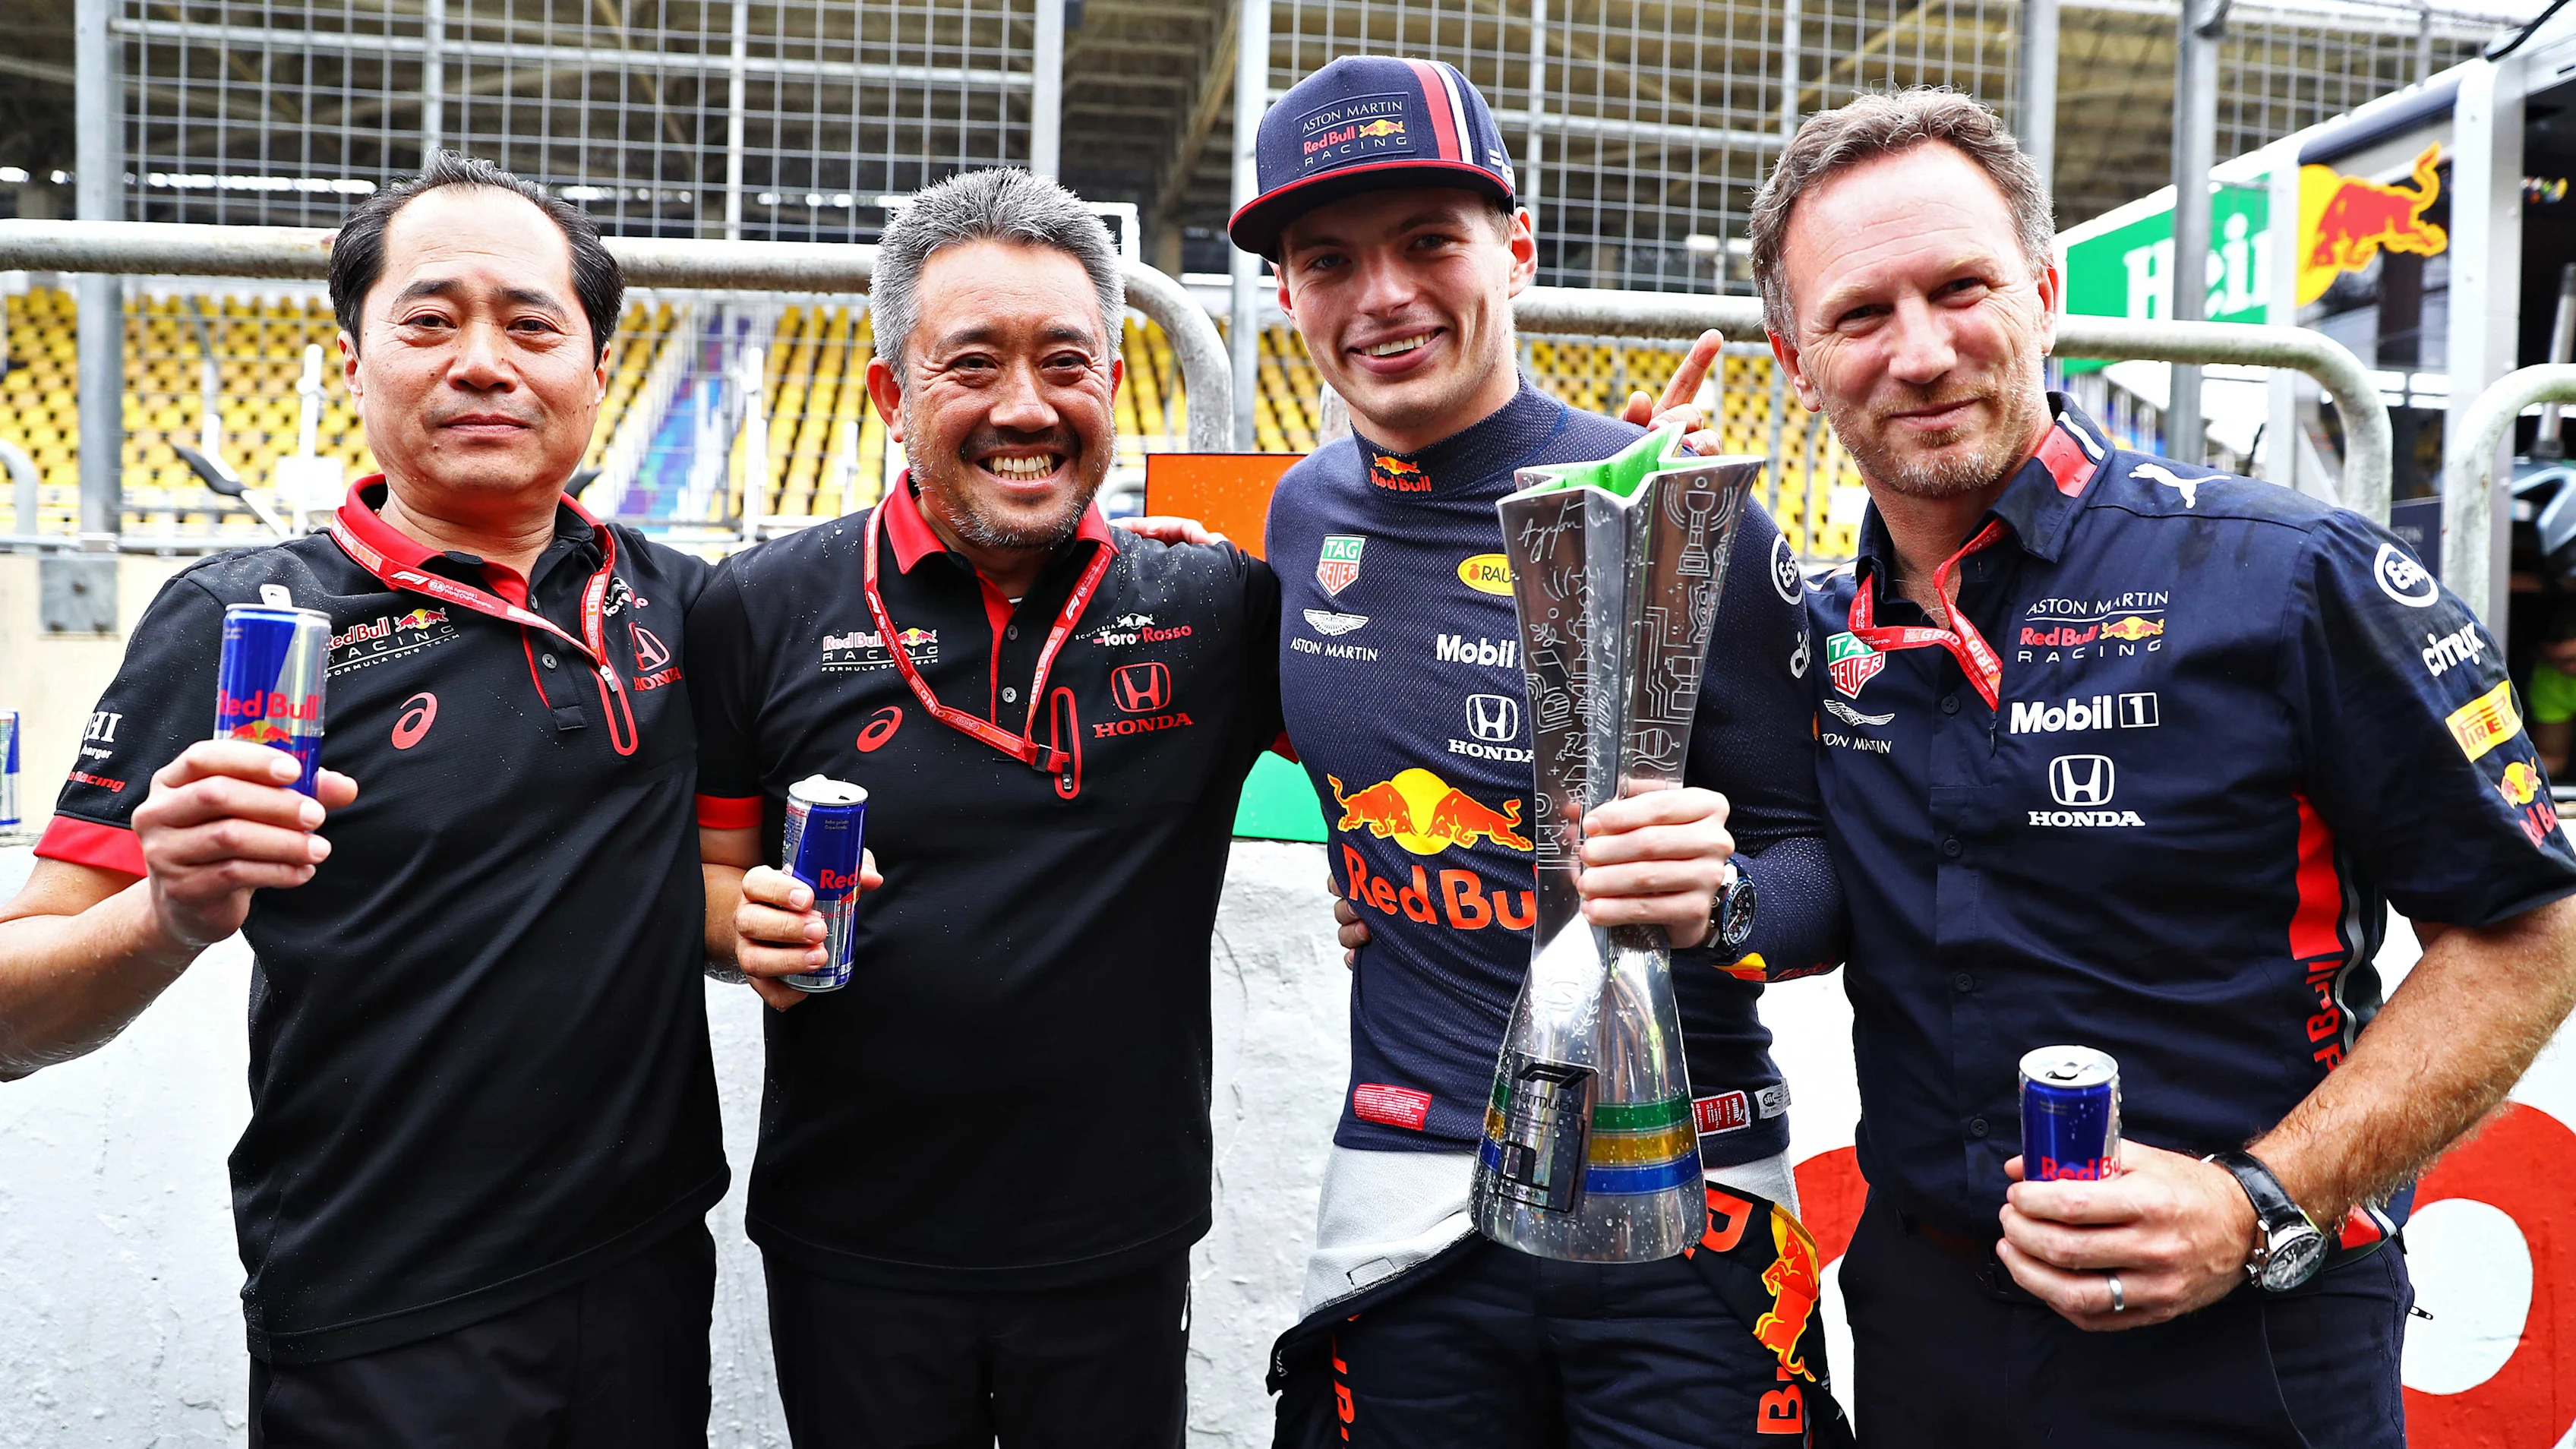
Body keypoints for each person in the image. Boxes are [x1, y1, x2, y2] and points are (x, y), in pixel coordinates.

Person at [1750, 89, 2576, 1445]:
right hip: (1922, 1332)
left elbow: (2528, 932)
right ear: (1794, 354)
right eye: (1858, 314)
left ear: (2045, 289)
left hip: (2247, 1336)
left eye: (1961, 287)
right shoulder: (1815, 635)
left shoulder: (2289, 576)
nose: (1919, 352)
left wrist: (2261, 1198)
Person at [0, 153, 726, 1445]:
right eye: (431, 320)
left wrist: (1145, 561)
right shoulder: (247, 620)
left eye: (532, 324)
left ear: (597, 373)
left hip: (649, 1277)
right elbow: (12, 1009)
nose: (484, 362)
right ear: (354, 364)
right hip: (378, 1313)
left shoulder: (684, 605)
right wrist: (168, 914)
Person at [1235, 55, 1851, 1449]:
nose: (1382, 295)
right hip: (1403, 1195)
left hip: (1689, 1199)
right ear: (1287, 297)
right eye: (1329, 259)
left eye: (1428, 243)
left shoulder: (1685, 522)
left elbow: (1828, 872)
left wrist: (1724, 902)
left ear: (1516, 250)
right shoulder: (1295, 517)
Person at [688, 167, 1282, 1448]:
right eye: (974, 364)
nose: (1027, 407)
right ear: (892, 395)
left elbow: (1399, 711)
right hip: (852, 1239)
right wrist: (751, 929)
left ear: (1114, 387)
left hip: (1117, 1243)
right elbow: (709, 879)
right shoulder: (758, 608)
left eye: (1066, 362)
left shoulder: (1214, 604)